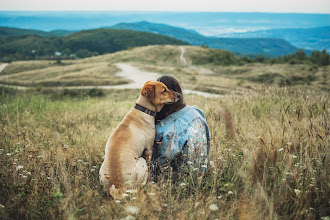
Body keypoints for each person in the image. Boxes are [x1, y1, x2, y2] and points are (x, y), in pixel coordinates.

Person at [151, 75, 211, 181]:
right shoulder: (197, 112)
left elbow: (158, 166)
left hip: (182, 181)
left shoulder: (165, 130)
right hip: (202, 174)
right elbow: (208, 141)